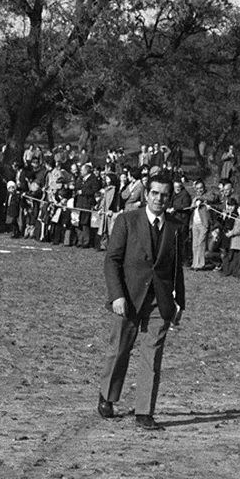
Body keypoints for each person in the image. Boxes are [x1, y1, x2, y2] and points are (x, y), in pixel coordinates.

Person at [98, 172, 186, 431]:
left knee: (153, 355)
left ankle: (144, 411)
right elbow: (112, 261)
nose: (159, 199)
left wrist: (179, 301)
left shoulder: (175, 226)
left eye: (165, 195)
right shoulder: (126, 221)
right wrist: (117, 296)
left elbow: (176, 268)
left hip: (159, 301)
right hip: (128, 298)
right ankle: (107, 396)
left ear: (170, 198)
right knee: (119, 350)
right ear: (147, 194)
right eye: (155, 193)